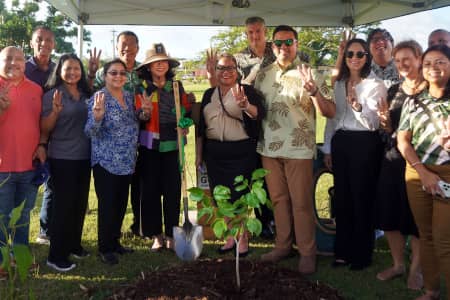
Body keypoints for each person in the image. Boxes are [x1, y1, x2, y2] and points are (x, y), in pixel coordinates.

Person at [256, 25, 335, 275]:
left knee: (301, 204)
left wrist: (313, 91)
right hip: (268, 149)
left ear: (297, 44)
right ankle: (282, 246)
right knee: (279, 201)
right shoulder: (263, 74)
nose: (284, 47)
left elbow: (330, 111)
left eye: (289, 42)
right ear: (272, 46)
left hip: (299, 150)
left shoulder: (310, 73)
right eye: (278, 43)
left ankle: (307, 252)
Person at [323, 38, 387, 271]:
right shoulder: (339, 84)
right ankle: (342, 252)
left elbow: (374, 124)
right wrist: (328, 147)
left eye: (360, 54)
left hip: (365, 143)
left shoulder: (375, 85)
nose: (355, 58)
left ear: (367, 57)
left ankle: (361, 254)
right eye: (350, 54)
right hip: (342, 143)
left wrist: (359, 108)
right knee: (343, 199)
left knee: (362, 199)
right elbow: (332, 118)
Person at [196, 53, 265, 255]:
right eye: (221, 68)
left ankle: (242, 238)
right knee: (221, 197)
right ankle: (229, 237)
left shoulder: (247, 91)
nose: (226, 72)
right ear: (215, 72)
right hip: (215, 154)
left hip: (241, 153)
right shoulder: (209, 94)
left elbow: (258, 114)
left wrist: (245, 105)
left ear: (237, 71)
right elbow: (201, 128)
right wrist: (199, 155)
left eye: (230, 68)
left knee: (240, 196)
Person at [85, 59, 151, 265]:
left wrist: (145, 112)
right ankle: (105, 248)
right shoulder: (98, 98)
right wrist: (97, 117)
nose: (118, 77)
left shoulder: (130, 97)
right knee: (108, 206)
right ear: (105, 76)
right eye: (113, 73)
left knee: (121, 204)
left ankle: (115, 243)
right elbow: (89, 131)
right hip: (106, 161)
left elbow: (137, 120)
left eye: (122, 73)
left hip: (127, 160)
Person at [397, 44, 450, 300]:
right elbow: (403, 141)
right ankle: (431, 290)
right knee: (425, 235)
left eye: (440, 61)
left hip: (447, 176)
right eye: (428, 63)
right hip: (416, 174)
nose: (433, 68)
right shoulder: (413, 101)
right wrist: (421, 171)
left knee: (443, 241)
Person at [375, 40, 424, 289]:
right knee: (390, 216)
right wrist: (384, 122)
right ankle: (397, 264)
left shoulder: (432, 89)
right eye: (397, 60)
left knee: (417, 221)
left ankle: (416, 270)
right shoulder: (394, 90)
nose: (402, 64)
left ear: (418, 58)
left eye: (407, 58)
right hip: (393, 160)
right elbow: (390, 128)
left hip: (421, 164)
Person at [134, 43, 192, 251]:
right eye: (155, 63)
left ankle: (171, 234)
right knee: (150, 193)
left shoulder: (176, 86)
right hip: (149, 148)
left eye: (163, 62)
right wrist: (145, 113)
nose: (160, 66)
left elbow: (185, 112)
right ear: (148, 67)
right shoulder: (141, 88)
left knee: (172, 191)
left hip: (173, 147)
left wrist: (185, 124)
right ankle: (156, 235)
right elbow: (138, 117)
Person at [41, 54, 92, 272]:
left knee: (79, 204)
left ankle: (73, 244)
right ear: (59, 71)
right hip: (62, 157)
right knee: (63, 207)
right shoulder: (53, 94)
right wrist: (54, 112)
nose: (73, 72)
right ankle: (56, 255)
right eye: (68, 68)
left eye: (76, 68)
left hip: (84, 156)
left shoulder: (85, 93)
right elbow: (44, 128)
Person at [93, 31, 143, 238]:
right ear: (117, 46)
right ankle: (107, 243)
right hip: (107, 150)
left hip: (135, 143)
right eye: (123, 44)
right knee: (110, 197)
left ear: (137, 48)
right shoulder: (103, 72)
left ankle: (136, 227)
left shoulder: (143, 71)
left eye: (131, 44)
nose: (127, 48)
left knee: (131, 190)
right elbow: (92, 102)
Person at [0, 46, 45, 247]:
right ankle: (1, 260)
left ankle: (20, 253)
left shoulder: (36, 89)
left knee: (23, 214)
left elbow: (40, 124)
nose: (13, 63)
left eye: (19, 59)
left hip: (28, 164)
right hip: (2, 167)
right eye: (8, 58)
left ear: (25, 63)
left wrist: (42, 145)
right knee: (1, 216)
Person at [25, 26, 56, 245]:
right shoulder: (21, 67)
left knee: (51, 183)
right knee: (26, 186)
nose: (43, 44)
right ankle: (17, 237)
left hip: (52, 134)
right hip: (25, 134)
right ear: (31, 42)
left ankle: (45, 231)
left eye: (48, 40)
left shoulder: (58, 69)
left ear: (54, 44)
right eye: (39, 40)